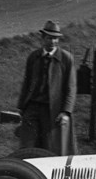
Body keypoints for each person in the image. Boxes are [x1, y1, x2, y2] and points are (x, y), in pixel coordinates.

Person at [18, 20, 78, 155]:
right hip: (32, 107)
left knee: (51, 147)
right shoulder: (33, 57)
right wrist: (21, 108)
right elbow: (27, 83)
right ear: (43, 38)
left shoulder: (66, 59)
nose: (52, 42)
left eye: (55, 38)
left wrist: (66, 112)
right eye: (49, 38)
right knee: (27, 145)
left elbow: (71, 88)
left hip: (52, 110)